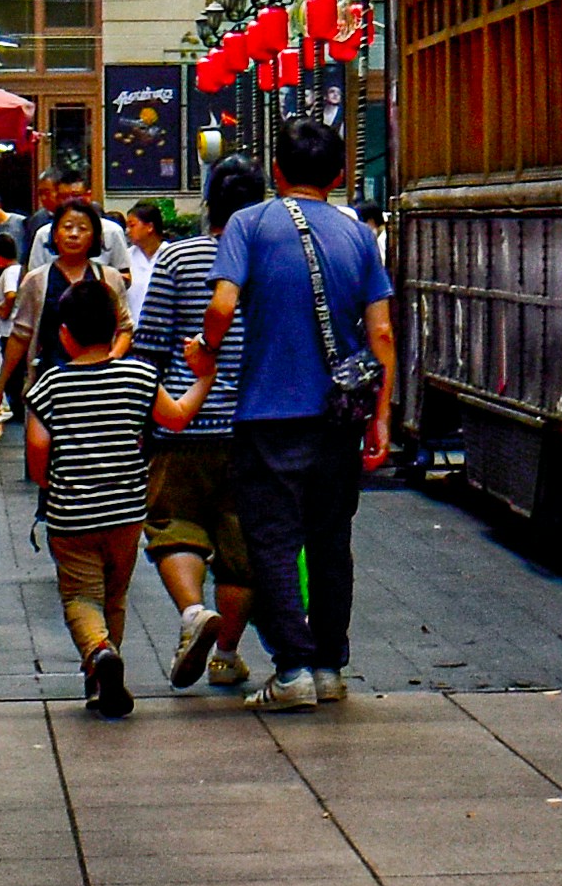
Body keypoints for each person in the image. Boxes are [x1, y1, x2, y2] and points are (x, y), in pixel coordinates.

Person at [175, 115, 396, 715]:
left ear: (276, 172)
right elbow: (380, 333)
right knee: (330, 540)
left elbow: (221, 305)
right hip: (340, 414)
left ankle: (292, 667)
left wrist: (207, 348)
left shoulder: (249, 223)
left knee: (271, 540)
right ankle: (329, 666)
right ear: (341, 174)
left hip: (268, 411)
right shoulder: (356, 235)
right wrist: (381, 418)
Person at [132, 172, 255, 687]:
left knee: (173, 525)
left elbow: (152, 342)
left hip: (183, 420)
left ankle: (191, 614)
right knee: (240, 547)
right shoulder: (270, 260)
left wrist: (145, 413)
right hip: (252, 424)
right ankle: (226, 654)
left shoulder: (178, 259)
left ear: (207, 206)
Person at [22, 271, 163, 716]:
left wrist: (50, 483)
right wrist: (204, 379)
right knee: (114, 596)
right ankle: (100, 677)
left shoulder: (49, 387)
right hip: (126, 511)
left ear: (64, 335)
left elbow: (37, 453)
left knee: (81, 598)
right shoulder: (139, 376)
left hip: (72, 515)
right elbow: (174, 417)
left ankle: (100, 656)